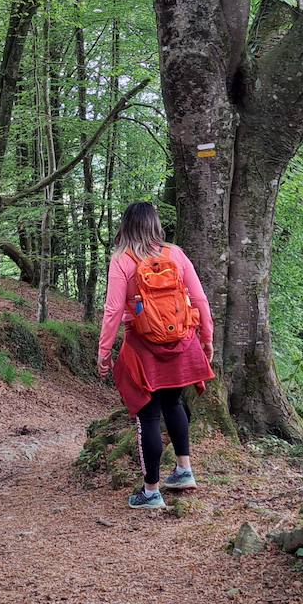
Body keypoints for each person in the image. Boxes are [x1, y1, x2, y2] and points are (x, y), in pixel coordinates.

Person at [97, 201, 214, 509]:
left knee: (148, 416)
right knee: (174, 403)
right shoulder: (175, 254)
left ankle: (151, 491)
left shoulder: (122, 259)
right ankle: (184, 470)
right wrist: (207, 338)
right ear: (155, 225)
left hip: (143, 348)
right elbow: (199, 298)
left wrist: (104, 353)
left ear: (126, 226)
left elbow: (112, 311)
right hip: (181, 344)